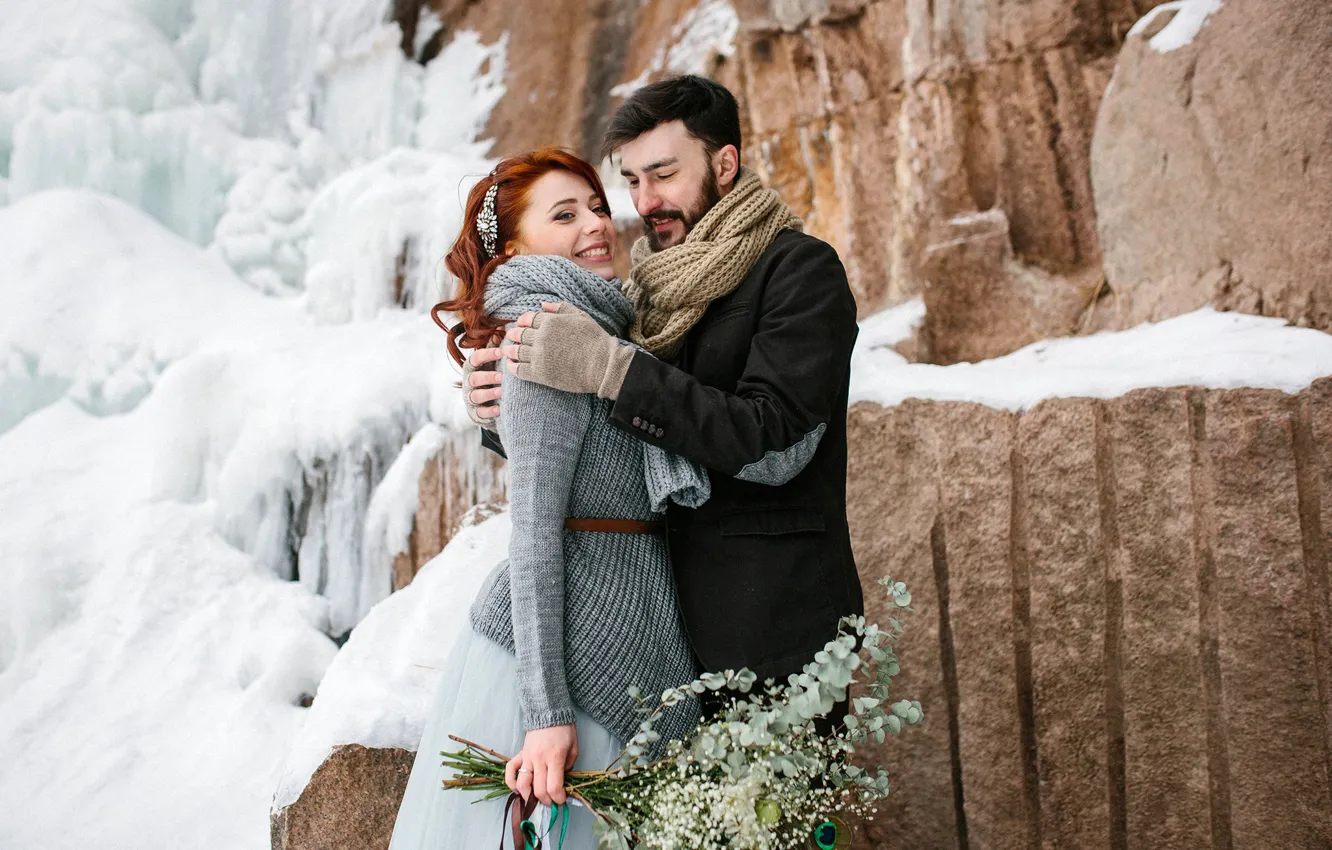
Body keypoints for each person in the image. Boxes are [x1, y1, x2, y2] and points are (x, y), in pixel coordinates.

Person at [465, 75, 865, 718]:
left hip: (770, 641)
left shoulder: (799, 272)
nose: (643, 202)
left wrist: (610, 368)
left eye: (664, 174)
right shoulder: (644, 294)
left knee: (787, 823)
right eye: (630, 181)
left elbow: (776, 448)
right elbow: (609, 454)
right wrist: (501, 406)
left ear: (724, 163)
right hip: (655, 645)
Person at [389, 148, 703, 849]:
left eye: (596, 205)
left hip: (612, 629)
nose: (597, 224)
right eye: (565, 214)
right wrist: (546, 711)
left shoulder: (597, 329)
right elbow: (532, 536)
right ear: (517, 247)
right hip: (555, 669)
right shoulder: (542, 337)